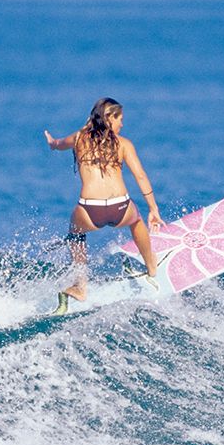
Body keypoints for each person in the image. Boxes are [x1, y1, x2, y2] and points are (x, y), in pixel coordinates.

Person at [44, 97, 165, 313]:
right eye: (120, 119)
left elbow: (59, 144)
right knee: (136, 220)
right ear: (110, 118)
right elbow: (141, 176)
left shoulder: (79, 137)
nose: (122, 124)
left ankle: (81, 286)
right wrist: (153, 209)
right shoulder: (124, 144)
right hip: (120, 207)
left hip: (89, 209)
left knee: (75, 232)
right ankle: (151, 266)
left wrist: (52, 143)